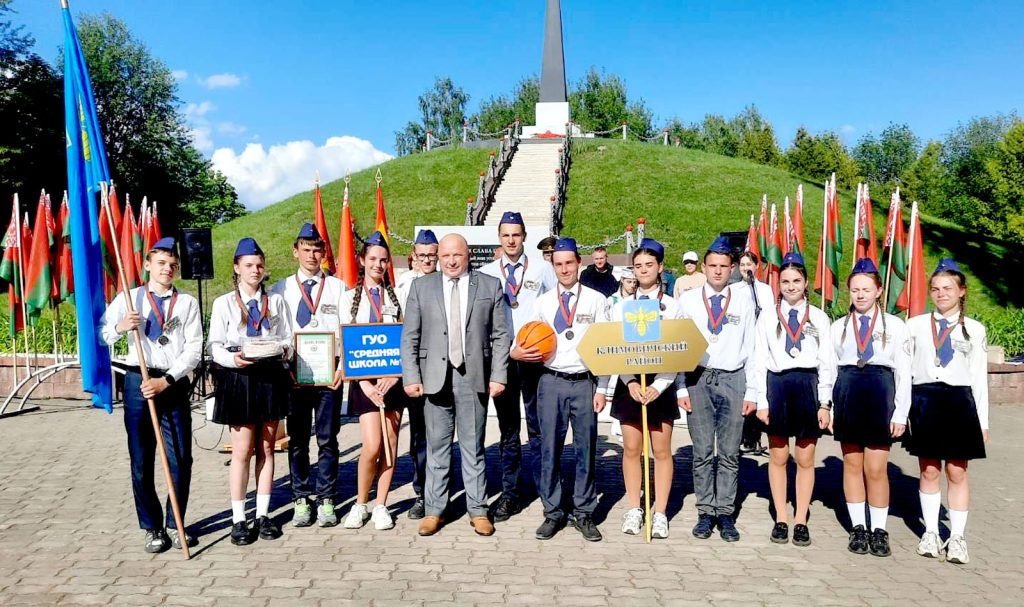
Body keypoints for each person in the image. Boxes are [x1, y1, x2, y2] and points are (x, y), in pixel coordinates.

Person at [401, 234, 510, 537]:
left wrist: (498, 375)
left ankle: (478, 510)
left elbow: (501, 335)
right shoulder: (421, 287)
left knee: (473, 447)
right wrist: (411, 377)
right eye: (444, 256)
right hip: (434, 378)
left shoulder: (489, 285)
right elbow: (409, 335)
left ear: (467, 256)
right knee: (437, 448)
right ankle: (436, 510)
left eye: (456, 256)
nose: (450, 261)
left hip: (472, 375)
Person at [100, 237, 202, 553]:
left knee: (181, 458)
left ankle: (175, 524)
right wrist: (120, 326)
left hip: (171, 383)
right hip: (137, 381)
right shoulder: (129, 299)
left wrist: (168, 380)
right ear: (148, 265)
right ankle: (152, 527)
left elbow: (194, 348)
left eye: (172, 264)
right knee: (141, 457)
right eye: (161, 263)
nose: (167, 269)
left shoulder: (186, 303)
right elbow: (103, 335)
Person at [516, 237, 609, 541]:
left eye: (570, 262)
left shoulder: (596, 300)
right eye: (559, 264)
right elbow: (530, 342)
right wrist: (518, 351)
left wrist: (602, 390)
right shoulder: (542, 303)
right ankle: (553, 512)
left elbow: (606, 348)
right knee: (549, 450)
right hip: (551, 381)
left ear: (579, 263)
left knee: (586, 450)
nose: (565, 269)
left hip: (585, 382)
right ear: (552, 265)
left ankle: (583, 512)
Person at [208, 237, 292, 545]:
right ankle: (239, 518)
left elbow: (288, 338)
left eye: (259, 265)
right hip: (239, 378)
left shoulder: (277, 302)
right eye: (248, 266)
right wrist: (234, 359)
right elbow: (215, 346)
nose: (255, 271)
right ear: (237, 268)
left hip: (270, 376)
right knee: (243, 450)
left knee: (268, 448)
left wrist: (283, 350)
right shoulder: (224, 304)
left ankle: (264, 514)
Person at [905, 258, 989, 564]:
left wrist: (983, 421)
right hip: (925, 400)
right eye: (936, 289)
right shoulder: (914, 326)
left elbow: (979, 377)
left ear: (962, 291)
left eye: (948, 288)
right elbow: (906, 372)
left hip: (959, 402)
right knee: (928, 469)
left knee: (957, 470)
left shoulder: (975, 330)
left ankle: (957, 537)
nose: (941, 294)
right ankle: (930, 533)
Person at [828, 258, 910, 558]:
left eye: (866, 289)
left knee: (875, 468)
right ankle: (858, 527)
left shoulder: (896, 327)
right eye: (854, 290)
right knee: (851, 464)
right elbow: (829, 369)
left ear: (879, 291)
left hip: (880, 393)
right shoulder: (838, 328)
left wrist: (900, 413)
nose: (860, 295)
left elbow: (903, 372)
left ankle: (879, 529)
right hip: (848, 391)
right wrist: (829, 405)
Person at [677, 236, 757, 543]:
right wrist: (681, 387)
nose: (718, 272)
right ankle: (704, 512)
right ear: (704, 267)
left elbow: (752, 347)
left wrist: (752, 392)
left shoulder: (744, 301)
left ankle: (725, 512)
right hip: (698, 378)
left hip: (733, 378)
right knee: (702, 452)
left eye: (724, 266)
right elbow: (678, 346)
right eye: (712, 266)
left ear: (733, 268)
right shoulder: (688, 301)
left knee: (729, 452)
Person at [752, 252, 835, 547]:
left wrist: (825, 403)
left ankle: (801, 518)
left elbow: (827, 363)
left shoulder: (820, 318)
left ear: (806, 282)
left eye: (796, 281)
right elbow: (759, 359)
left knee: (805, 456)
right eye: (785, 281)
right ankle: (781, 518)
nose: (790, 286)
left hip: (807, 386)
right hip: (777, 385)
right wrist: (762, 400)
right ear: (778, 284)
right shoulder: (767, 317)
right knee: (778, 455)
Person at [480, 212, 557, 522]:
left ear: (524, 236)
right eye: (505, 235)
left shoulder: (543, 269)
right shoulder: (486, 272)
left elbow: (555, 309)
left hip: (536, 362)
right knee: (508, 430)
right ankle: (511, 494)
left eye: (516, 234)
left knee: (538, 429)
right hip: (503, 362)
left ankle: (545, 491)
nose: (511, 240)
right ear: (499, 237)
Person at [271, 223, 348, 529]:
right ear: (295, 251)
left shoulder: (338, 287)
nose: (312, 255)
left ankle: (327, 497)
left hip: (329, 377)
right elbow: (276, 333)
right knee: (299, 439)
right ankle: (301, 497)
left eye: (318, 249)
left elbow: (345, 329)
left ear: (324, 252)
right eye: (306, 249)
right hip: (295, 376)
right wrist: (284, 368)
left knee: (329, 439)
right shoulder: (281, 289)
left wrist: (342, 367)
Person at [605, 238, 682, 539]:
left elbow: (678, 349)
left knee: (661, 450)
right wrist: (631, 382)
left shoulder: (673, 306)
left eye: (649, 265)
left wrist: (660, 385)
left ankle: (660, 511)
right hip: (631, 385)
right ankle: (634, 507)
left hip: (660, 385)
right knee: (632, 449)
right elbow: (614, 348)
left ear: (660, 267)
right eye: (638, 266)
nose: (643, 270)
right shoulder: (622, 306)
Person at [339, 232, 407, 531]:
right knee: (372, 445)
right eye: (373, 259)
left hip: (393, 382)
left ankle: (381, 504)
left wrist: (393, 376)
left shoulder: (399, 296)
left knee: (390, 445)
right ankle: (360, 503)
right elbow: (346, 344)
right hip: (364, 382)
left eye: (383, 260)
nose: (378, 265)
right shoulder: (347, 299)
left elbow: (407, 340)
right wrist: (365, 383)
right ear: (362, 261)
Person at [395, 229, 438, 521]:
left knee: (444, 436)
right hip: (416, 371)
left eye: (431, 256)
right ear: (413, 257)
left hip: (445, 369)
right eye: (421, 256)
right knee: (420, 436)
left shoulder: (447, 281)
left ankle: (442, 490)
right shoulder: (401, 286)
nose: (427, 261)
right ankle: (422, 492)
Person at [737, 251, 775, 456]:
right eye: (742, 265)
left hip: (760, 343)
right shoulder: (733, 289)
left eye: (748, 264)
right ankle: (743, 435)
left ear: (756, 266)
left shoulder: (764, 290)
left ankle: (756, 435)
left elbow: (769, 314)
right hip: (742, 343)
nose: (745, 268)